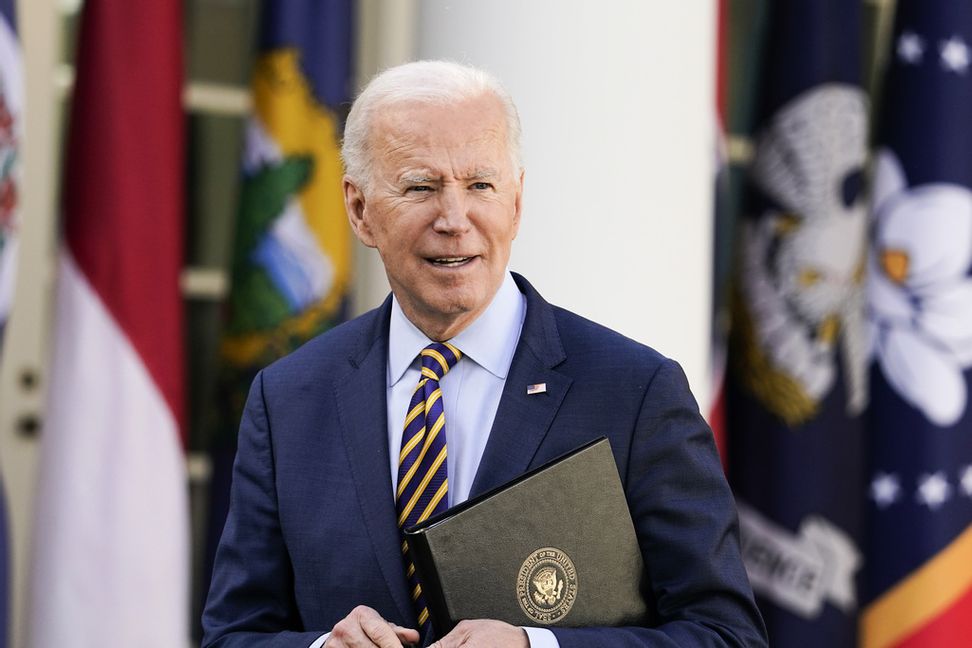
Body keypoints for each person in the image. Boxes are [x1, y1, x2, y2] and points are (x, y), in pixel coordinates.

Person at [202, 60, 767, 648]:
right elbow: (233, 635)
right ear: (359, 209)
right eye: (420, 186)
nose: (454, 219)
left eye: (480, 185)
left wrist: (537, 647)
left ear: (516, 202)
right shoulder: (288, 398)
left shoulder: (634, 392)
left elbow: (726, 635)